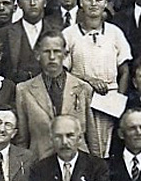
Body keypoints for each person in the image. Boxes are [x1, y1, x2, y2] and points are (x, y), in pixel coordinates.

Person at [63, 0, 132, 157]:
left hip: (110, 99)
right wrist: (89, 81)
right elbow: (64, 72)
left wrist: (118, 99)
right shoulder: (69, 34)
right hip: (80, 98)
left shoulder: (115, 33)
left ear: (105, 3)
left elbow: (125, 70)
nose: (93, 4)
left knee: (108, 146)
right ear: (80, 2)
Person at [14, 30, 97, 161]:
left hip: (77, 163)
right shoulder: (24, 90)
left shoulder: (82, 88)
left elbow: (92, 135)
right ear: (37, 55)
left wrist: (96, 165)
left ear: (65, 54)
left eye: (57, 51)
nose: (52, 57)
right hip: (40, 162)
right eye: (47, 52)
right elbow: (22, 139)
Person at [0, 0, 47, 84]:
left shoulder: (58, 31)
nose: (32, 3)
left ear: (45, 2)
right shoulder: (4, 34)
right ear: (19, 3)